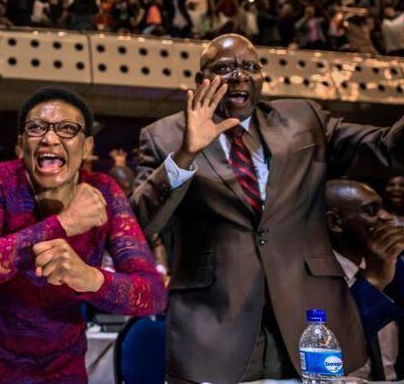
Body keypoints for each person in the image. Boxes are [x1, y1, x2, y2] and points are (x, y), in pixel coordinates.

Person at [131, 33, 404, 383]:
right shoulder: (163, 136)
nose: (240, 76)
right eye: (225, 68)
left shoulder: (305, 120)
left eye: (250, 66)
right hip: (217, 323)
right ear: (201, 81)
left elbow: (387, 150)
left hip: (311, 316)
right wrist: (186, 154)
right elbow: (139, 227)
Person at [0, 87, 167, 383]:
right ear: (22, 145)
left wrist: (90, 278)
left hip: (63, 370)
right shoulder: (1, 181)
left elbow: (154, 294)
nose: (50, 138)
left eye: (67, 129)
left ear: (86, 147)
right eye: (36, 128)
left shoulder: (105, 192)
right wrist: (63, 224)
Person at [325, 179, 404, 381]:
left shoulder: (395, 263)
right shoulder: (315, 279)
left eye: (383, 208)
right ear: (335, 222)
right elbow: (333, 346)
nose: (386, 218)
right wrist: (374, 281)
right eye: (371, 210)